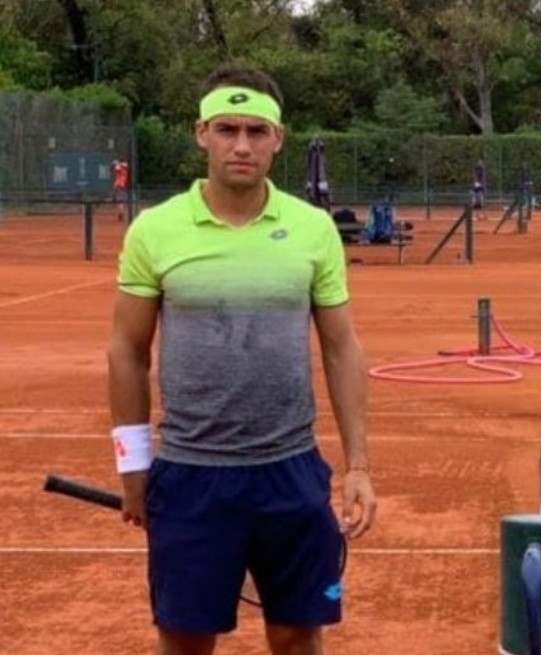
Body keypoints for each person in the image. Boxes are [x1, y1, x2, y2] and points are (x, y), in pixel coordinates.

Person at [107, 62, 377, 655]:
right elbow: (127, 350)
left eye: (256, 131)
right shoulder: (155, 230)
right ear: (200, 132)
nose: (242, 145)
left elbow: (341, 347)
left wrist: (357, 465)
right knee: (184, 641)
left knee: (298, 635)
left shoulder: (313, 229)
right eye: (227, 129)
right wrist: (133, 467)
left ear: (278, 139)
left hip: (291, 471)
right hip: (189, 476)